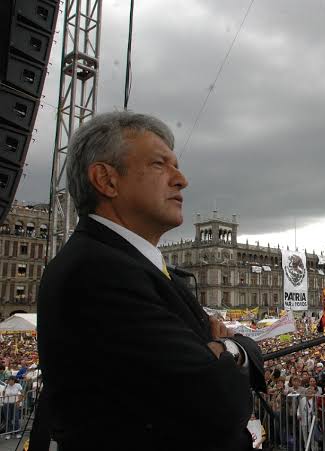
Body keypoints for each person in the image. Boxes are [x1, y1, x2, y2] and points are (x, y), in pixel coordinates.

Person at [37, 112, 265, 450]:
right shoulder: (98, 272)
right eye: (161, 164)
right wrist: (236, 346)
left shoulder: (135, 266)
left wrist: (218, 355)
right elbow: (216, 403)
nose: (181, 180)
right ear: (106, 179)